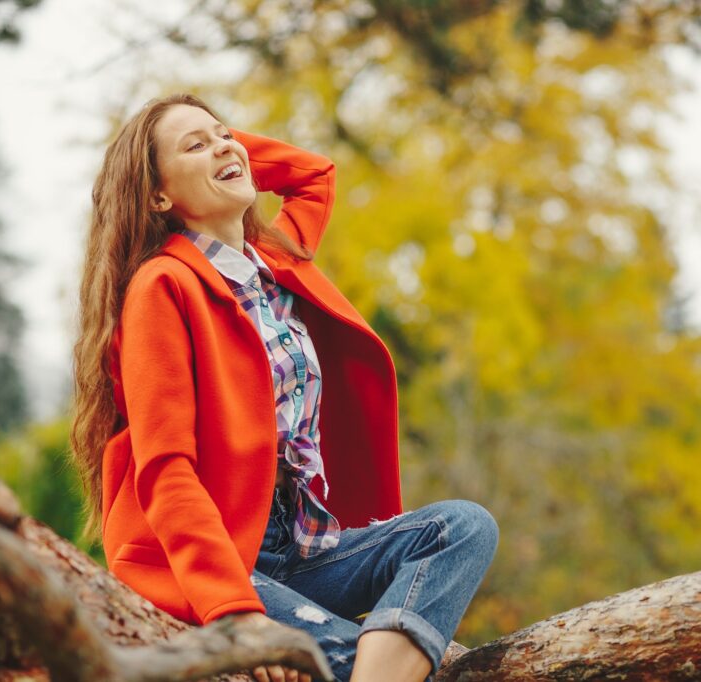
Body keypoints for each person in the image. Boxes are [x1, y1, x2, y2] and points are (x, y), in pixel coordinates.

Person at [70, 92, 499, 682]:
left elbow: (315, 176)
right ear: (158, 196)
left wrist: (219, 151)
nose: (224, 145)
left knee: (463, 526)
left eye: (227, 135)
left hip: (298, 547)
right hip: (215, 560)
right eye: (195, 145)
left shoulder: (274, 259)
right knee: (361, 662)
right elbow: (166, 469)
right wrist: (237, 613)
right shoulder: (161, 287)